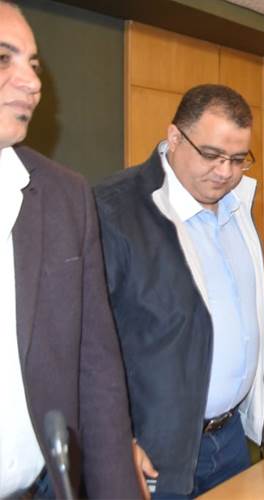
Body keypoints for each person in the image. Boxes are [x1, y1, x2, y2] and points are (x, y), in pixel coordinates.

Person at [95, 84, 264, 497]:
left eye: (238, 159)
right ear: (174, 137)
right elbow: (87, 342)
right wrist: (114, 438)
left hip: (230, 439)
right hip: (153, 447)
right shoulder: (114, 209)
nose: (225, 172)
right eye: (211, 155)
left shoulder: (238, 205)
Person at [0, 2, 141, 498]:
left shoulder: (64, 195)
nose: (32, 83)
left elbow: (96, 367)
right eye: (3, 58)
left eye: (34, 64)